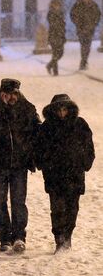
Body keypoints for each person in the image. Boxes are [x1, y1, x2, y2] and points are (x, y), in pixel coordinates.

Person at [0, 78, 40, 253]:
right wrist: (1, 105)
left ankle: (19, 237)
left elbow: (37, 130)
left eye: (14, 93)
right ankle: (4, 238)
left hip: (19, 164)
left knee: (18, 202)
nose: (11, 97)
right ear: (1, 93)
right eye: (8, 93)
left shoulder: (27, 108)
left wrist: (33, 157)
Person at [36, 94, 95, 254]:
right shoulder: (47, 127)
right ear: (54, 110)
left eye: (65, 109)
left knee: (72, 209)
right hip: (54, 176)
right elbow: (39, 149)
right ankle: (59, 239)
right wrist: (44, 164)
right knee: (57, 209)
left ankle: (67, 237)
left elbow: (89, 146)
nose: (62, 112)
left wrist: (85, 163)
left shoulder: (80, 124)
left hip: (75, 175)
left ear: (70, 109)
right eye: (59, 109)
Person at [70, 0, 101, 70]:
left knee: (88, 46)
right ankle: (83, 62)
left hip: (90, 29)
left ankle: (84, 61)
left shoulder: (94, 5)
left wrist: (94, 24)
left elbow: (98, 15)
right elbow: (72, 15)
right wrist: (78, 23)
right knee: (83, 45)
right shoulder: (77, 5)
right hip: (81, 29)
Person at [46, 0, 66, 76]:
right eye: (55, 5)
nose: (57, 6)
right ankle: (55, 72)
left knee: (60, 53)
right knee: (55, 54)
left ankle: (49, 65)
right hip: (53, 35)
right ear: (52, 5)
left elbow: (63, 24)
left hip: (61, 36)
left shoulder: (61, 13)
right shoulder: (50, 13)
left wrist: (63, 34)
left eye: (58, 5)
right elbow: (53, 23)